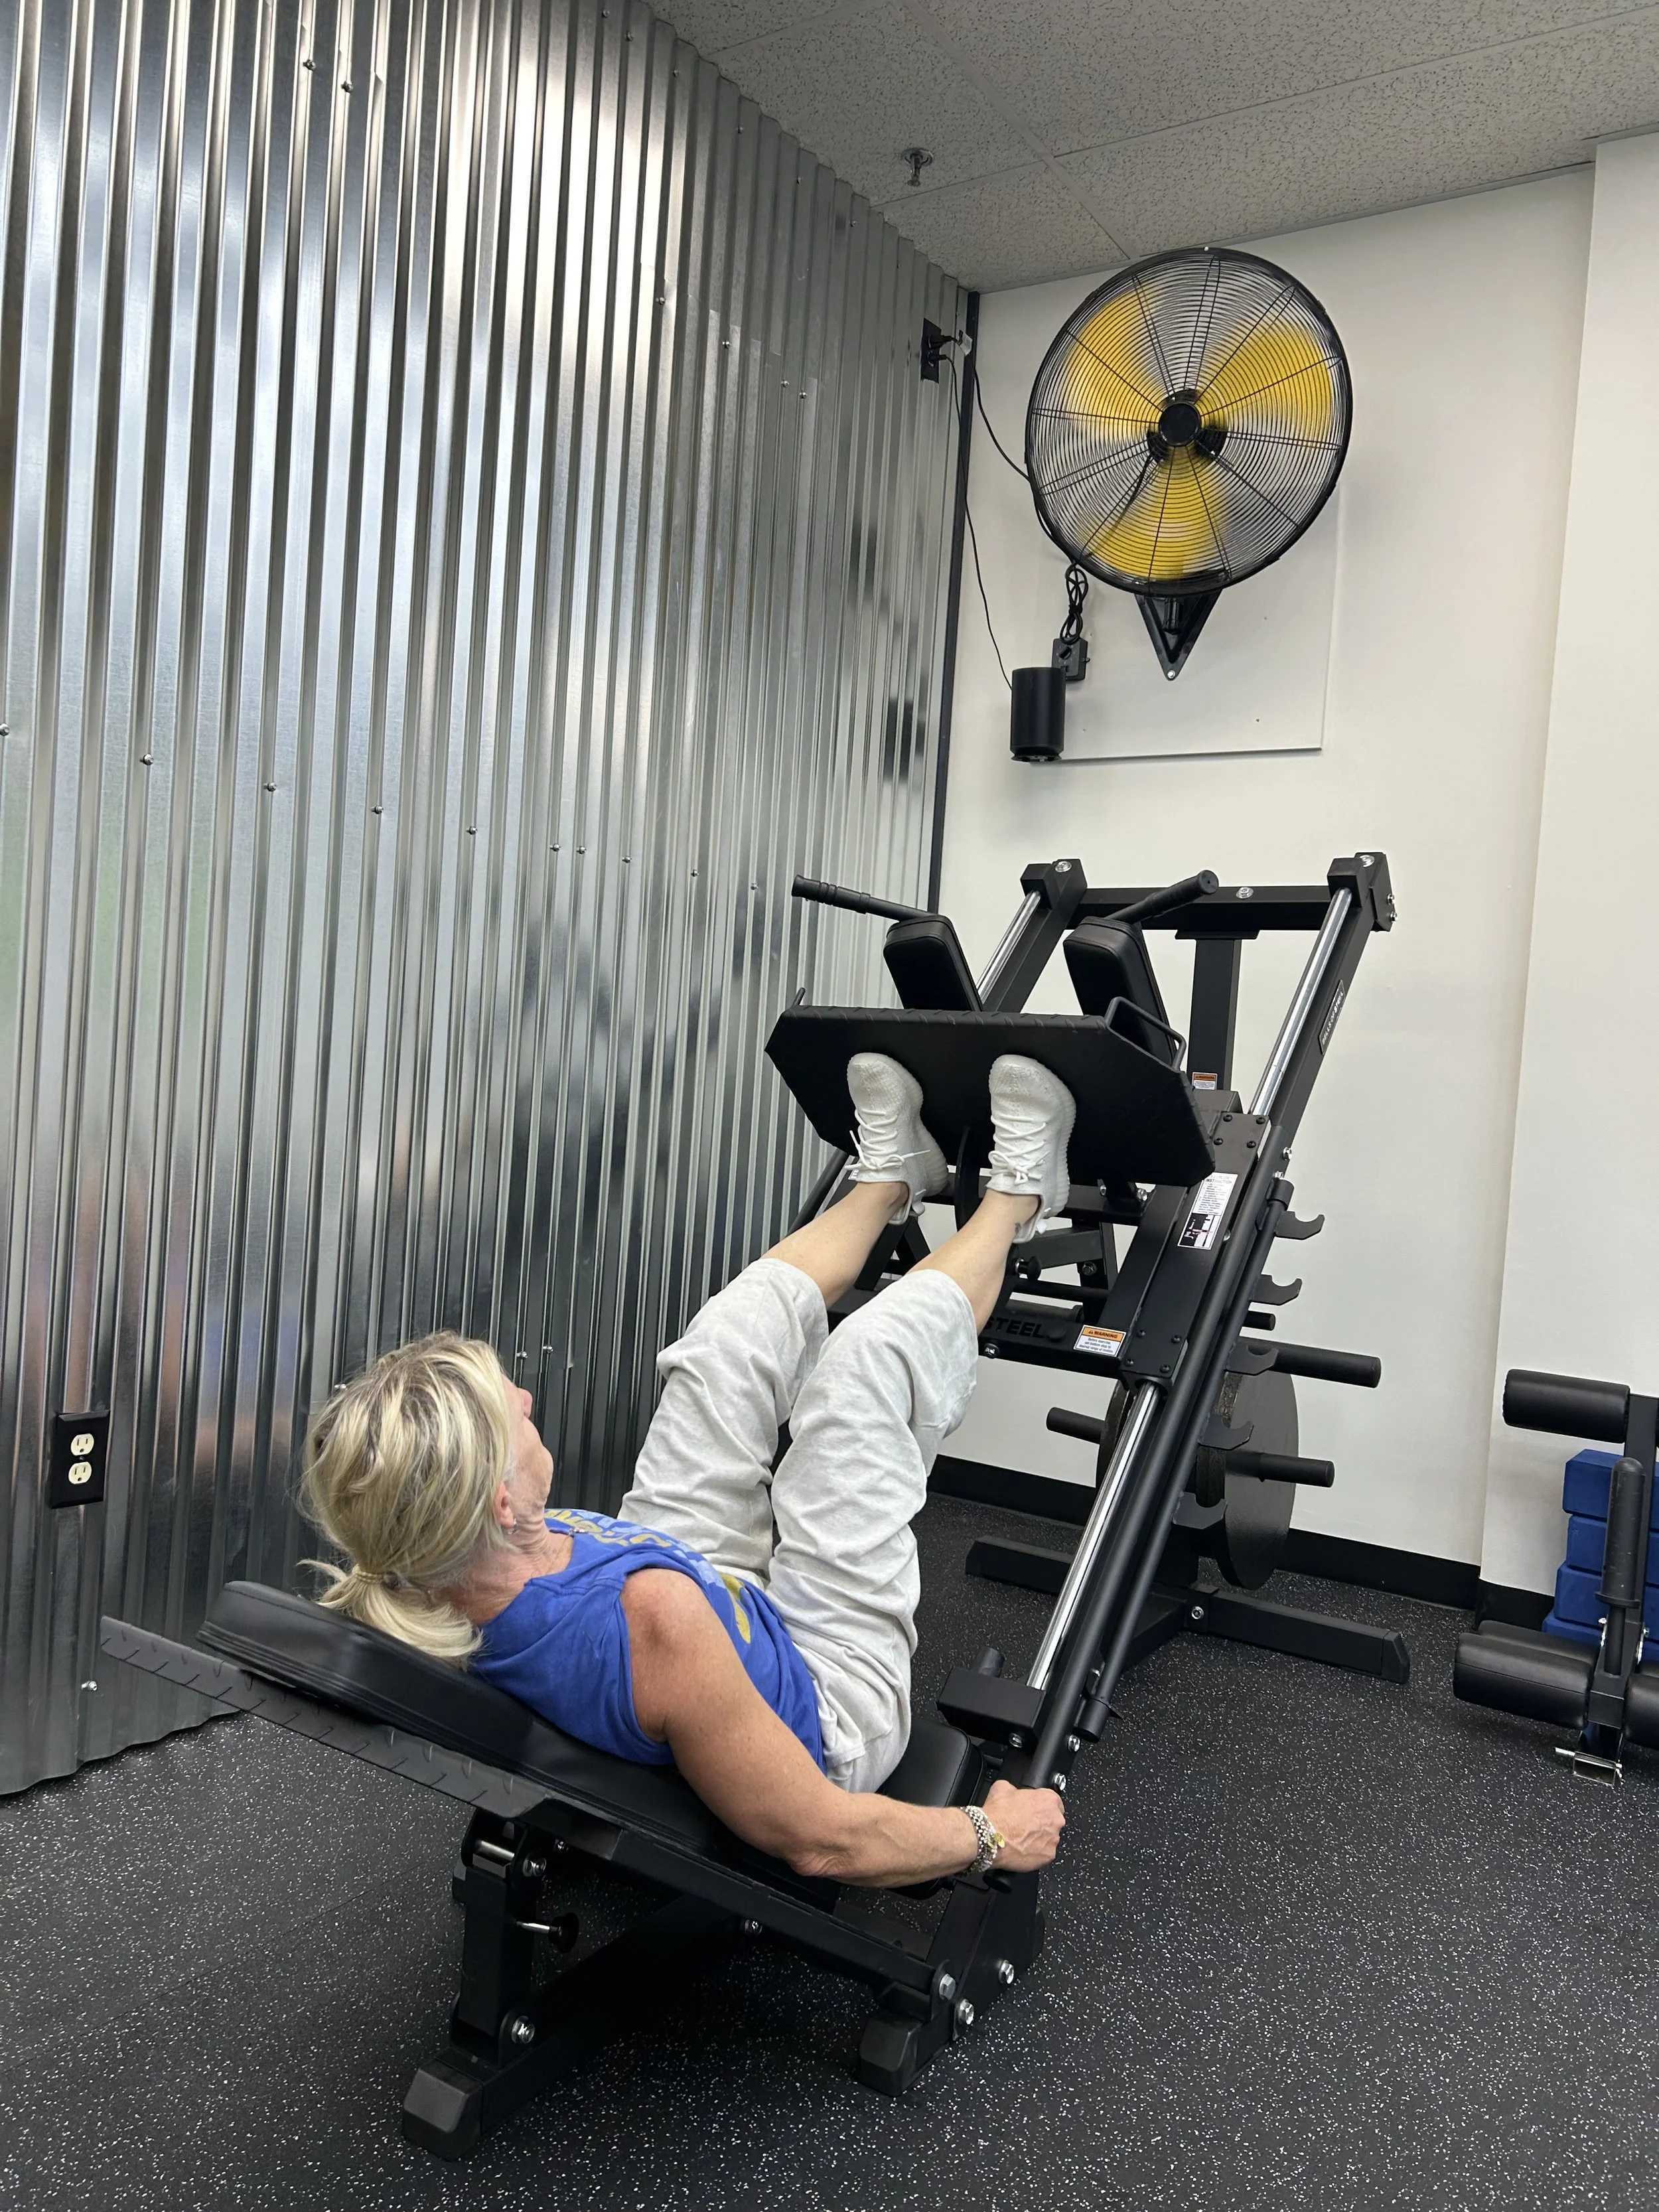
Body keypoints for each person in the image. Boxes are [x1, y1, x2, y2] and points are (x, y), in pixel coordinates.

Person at [301, 1052, 1074, 1890]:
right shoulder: (655, 1619)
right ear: (498, 1501)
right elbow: (825, 1841)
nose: (526, 1398)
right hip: (824, 1697)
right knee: (866, 1369)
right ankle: (1019, 1199)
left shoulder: (419, 1567)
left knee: (723, 1345)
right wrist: (994, 1833)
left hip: (683, 1602)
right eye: (506, 1409)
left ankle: (890, 1180)